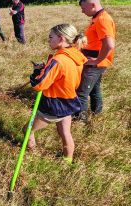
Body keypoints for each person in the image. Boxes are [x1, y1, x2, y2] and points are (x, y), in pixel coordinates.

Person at [27, 24, 87, 164]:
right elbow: (64, 77)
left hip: (54, 105)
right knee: (65, 133)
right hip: (69, 101)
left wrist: (37, 71)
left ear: (61, 38)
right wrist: (47, 69)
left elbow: (39, 85)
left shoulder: (58, 60)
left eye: (50, 37)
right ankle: (67, 161)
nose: (48, 40)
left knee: (27, 130)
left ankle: (32, 156)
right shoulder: (76, 55)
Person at [74, 0, 116, 122]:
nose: (82, 11)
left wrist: (97, 60)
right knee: (94, 89)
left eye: (83, 8)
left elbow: (109, 45)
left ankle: (80, 120)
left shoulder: (102, 19)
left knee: (81, 92)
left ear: (92, 5)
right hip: (96, 61)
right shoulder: (97, 18)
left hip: (95, 62)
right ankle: (96, 115)